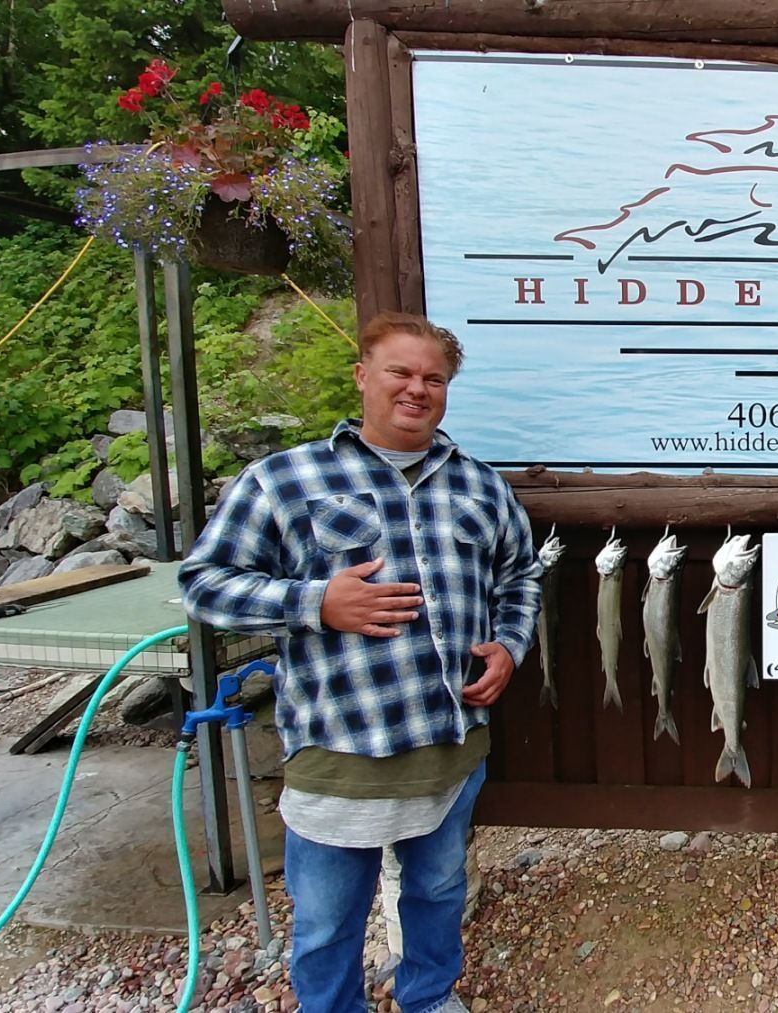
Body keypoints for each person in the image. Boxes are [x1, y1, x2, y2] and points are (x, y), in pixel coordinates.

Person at [179, 311, 542, 1013]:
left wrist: (509, 643)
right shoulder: (285, 478)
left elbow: (520, 573)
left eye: (433, 378)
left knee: (437, 890)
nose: (417, 389)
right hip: (340, 752)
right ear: (362, 377)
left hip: (451, 745)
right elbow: (204, 581)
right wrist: (316, 601)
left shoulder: (479, 484)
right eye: (400, 373)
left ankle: (428, 995)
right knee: (323, 922)